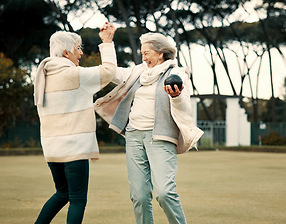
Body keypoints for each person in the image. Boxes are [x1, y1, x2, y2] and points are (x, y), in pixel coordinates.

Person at [95, 24, 203, 224]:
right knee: (139, 196)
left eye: (147, 53)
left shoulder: (177, 74)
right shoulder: (138, 72)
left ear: (161, 54)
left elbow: (185, 109)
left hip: (160, 137)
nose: (143, 57)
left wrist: (176, 96)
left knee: (164, 192)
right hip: (134, 136)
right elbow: (111, 73)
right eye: (142, 53)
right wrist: (107, 43)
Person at [33, 24, 117, 224]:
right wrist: (107, 43)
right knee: (78, 200)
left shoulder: (43, 76)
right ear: (66, 52)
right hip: (74, 148)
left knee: (62, 194)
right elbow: (109, 72)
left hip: (52, 149)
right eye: (78, 48)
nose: (81, 52)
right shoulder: (74, 75)